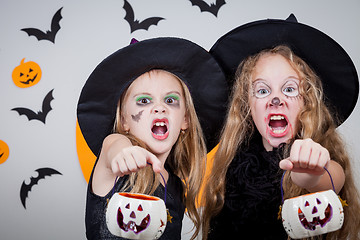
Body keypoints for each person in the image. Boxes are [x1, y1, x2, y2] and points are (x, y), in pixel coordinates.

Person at [201, 14, 360, 239]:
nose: (276, 99)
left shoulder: (318, 154)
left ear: (308, 101)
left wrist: (312, 175)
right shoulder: (225, 162)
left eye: (289, 89)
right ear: (247, 104)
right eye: (263, 91)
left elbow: (332, 178)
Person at [77, 37, 228, 240]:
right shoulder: (116, 164)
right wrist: (122, 151)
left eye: (170, 100)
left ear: (185, 120)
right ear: (124, 121)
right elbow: (112, 145)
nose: (159, 107)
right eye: (144, 101)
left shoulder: (175, 186)